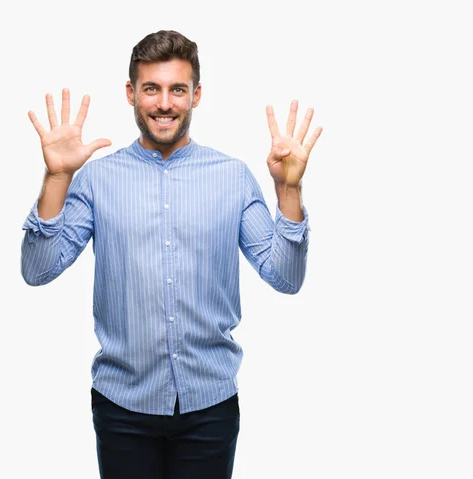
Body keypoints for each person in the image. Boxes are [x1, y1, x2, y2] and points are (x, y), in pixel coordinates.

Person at [21, 29, 322, 479]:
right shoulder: (97, 180)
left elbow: (286, 277)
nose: (165, 103)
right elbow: (37, 270)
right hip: (122, 406)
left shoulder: (232, 177)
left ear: (196, 95)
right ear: (131, 93)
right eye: (152, 89)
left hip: (210, 406)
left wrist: (290, 191)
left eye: (177, 89)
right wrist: (58, 178)